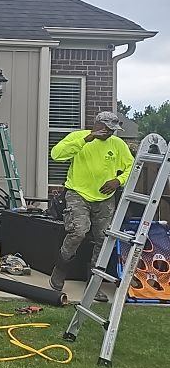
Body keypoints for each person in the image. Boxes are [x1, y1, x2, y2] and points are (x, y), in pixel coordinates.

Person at [48, 110, 134, 302]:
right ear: (97, 125)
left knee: (104, 239)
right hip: (78, 193)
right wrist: (87, 139)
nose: (111, 133)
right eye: (108, 129)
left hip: (105, 198)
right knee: (79, 231)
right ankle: (60, 270)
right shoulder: (79, 138)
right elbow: (56, 154)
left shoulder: (118, 145)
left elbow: (131, 166)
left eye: (114, 130)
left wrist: (118, 181)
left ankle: (95, 285)